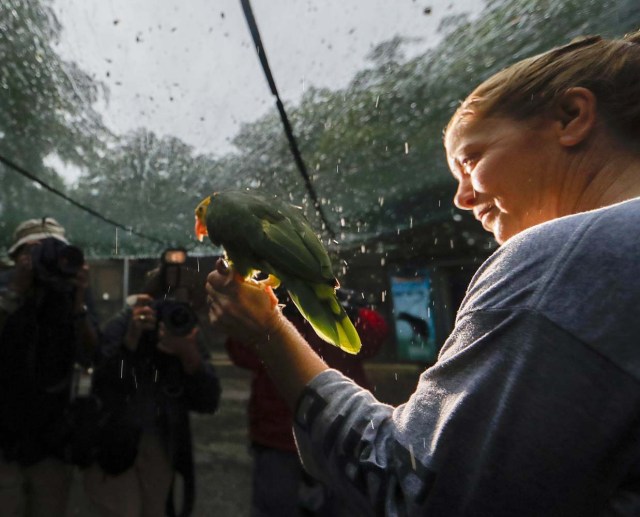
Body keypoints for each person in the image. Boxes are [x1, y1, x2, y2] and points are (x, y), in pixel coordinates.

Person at [205, 29, 640, 516]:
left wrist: (267, 330)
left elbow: (416, 487)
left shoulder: (561, 262)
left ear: (571, 116)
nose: (461, 199)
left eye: (471, 158)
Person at [225, 290, 389, 516]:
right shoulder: (273, 304)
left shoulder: (335, 301)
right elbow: (240, 352)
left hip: (338, 435)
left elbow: (373, 337)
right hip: (281, 436)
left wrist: (344, 309)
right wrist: (274, 320)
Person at [84, 250, 222, 517]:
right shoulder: (131, 318)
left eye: (179, 296)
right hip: (116, 441)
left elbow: (208, 399)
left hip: (160, 443)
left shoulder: (186, 329)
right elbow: (102, 379)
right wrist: (132, 338)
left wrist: (188, 354)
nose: (168, 308)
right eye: (164, 290)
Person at [0, 217, 99, 516]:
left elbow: (91, 356)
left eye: (53, 251)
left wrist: (78, 301)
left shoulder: (70, 292)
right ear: (17, 257)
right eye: (34, 251)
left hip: (53, 438)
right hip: (4, 436)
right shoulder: (5, 288)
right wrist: (16, 291)